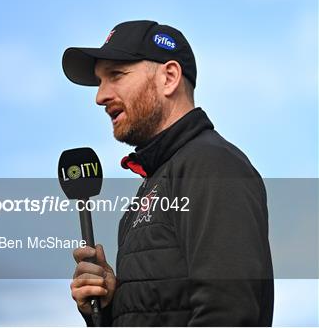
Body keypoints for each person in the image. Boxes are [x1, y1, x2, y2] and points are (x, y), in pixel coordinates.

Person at [62, 20, 274, 327]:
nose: (100, 96)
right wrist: (110, 306)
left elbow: (230, 313)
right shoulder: (155, 183)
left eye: (116, 75)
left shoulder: (211, 165)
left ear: (169, 77)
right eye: (99, 82)